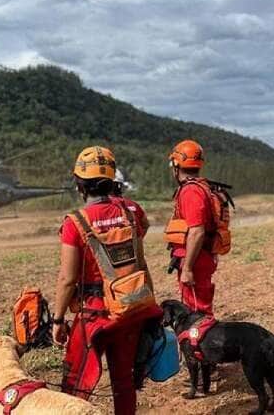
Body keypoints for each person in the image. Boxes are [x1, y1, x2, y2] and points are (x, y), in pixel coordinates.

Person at [51, 146, 162, 415]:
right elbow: (141, 232)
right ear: (113, 181)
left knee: (76, 385)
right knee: (123, 380)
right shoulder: (131, 212)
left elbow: (67, 279)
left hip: (93, 314)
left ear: (79, 185)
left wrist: (57, 320)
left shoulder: (74, 222)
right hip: (129, 306)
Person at [166, 140, 217, 316]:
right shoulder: (200, 187)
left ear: (176, 164)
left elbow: (197, 231)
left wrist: (187, 268)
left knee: (196, 311)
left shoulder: (190, 192)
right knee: (196, 307)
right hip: (200, 256)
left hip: (195, 259)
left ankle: (199, 343)